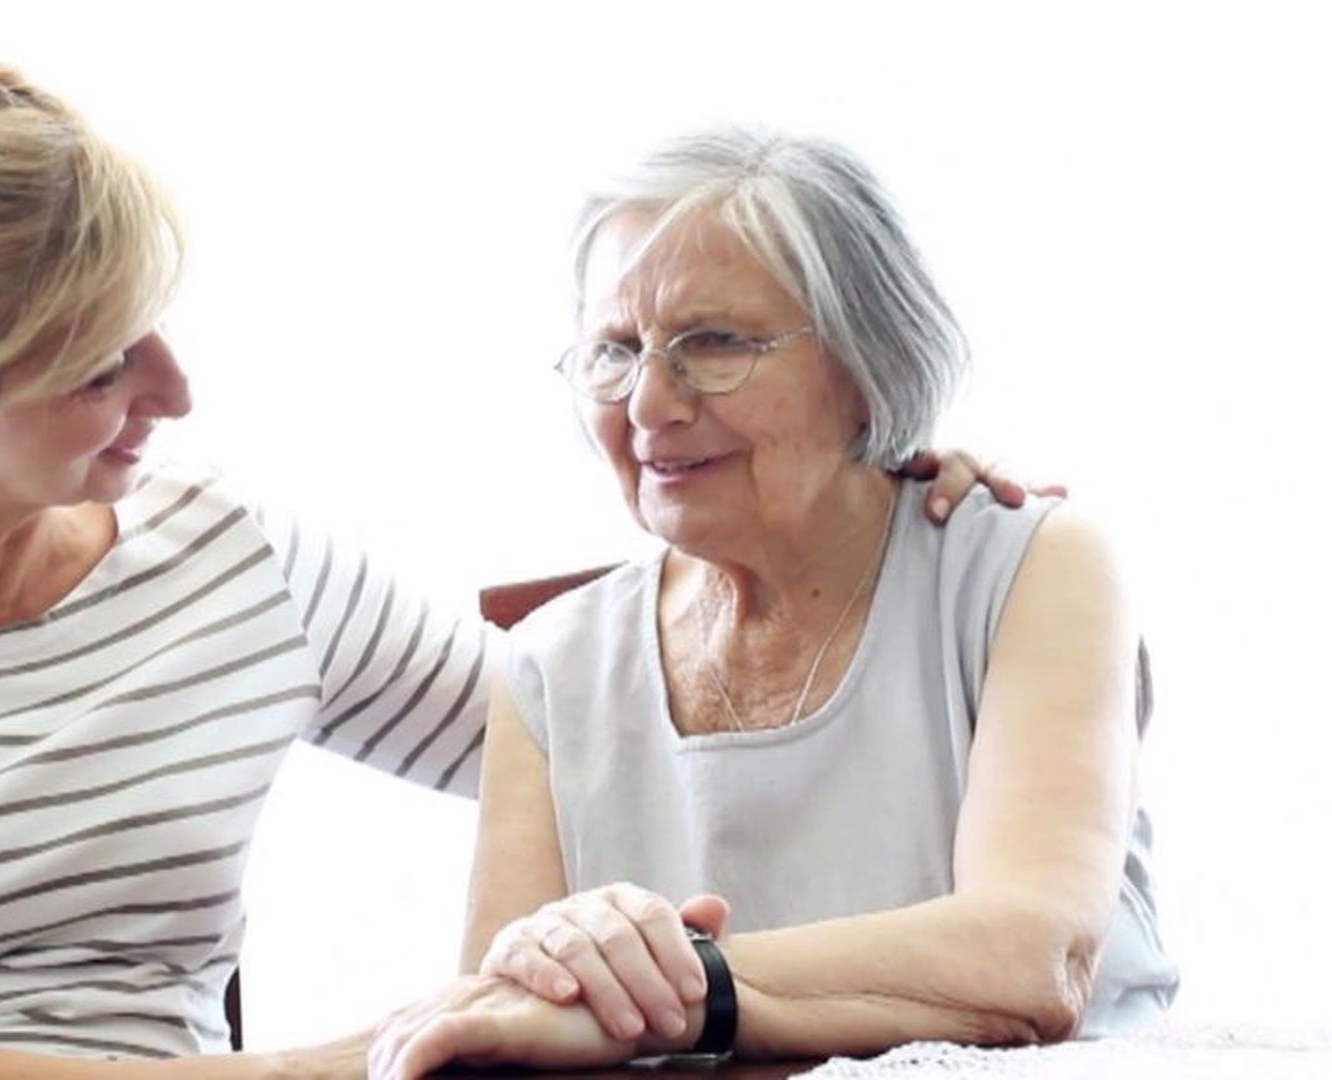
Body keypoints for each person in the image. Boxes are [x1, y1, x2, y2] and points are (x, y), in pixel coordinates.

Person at [0, 53, 1029, 1080]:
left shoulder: (231, 558)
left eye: (155, 327)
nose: (175, 393)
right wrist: (364, 1064)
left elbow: (595, 728)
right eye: (105, 366)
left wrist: (871, 516)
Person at [367, 128, 1178, 1079]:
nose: (647, 404)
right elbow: (501, 1021)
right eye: (615, 349)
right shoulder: (554, 659)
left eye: (713, 344)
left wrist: (673, 990)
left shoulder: (1032, 567)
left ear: (865, 360)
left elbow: (1031, 957)